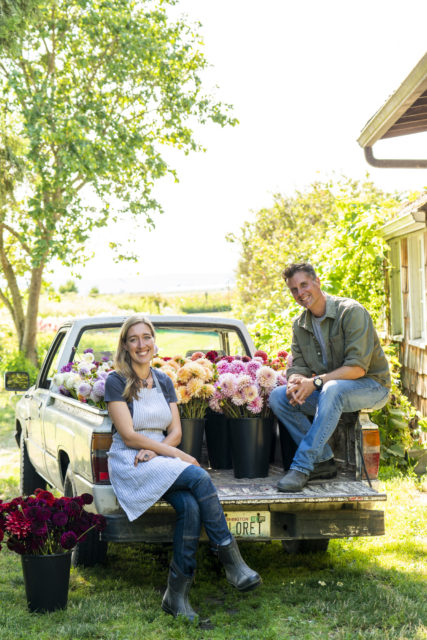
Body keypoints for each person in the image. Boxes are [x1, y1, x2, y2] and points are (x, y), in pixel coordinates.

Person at [104, 314, 260, 621]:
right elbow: (129, 435)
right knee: (199, 477)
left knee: (189, 505)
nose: (141, 344)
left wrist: (159, 451)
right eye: (133, 339)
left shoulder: (163, 379)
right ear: (125, 345)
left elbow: (176, 432)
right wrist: (168, 453)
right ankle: (230, 561)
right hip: (130, 460)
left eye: (146, 337)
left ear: (154, 340)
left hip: (156, 456)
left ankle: (176, 597)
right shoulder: (116, 380)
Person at [269, 263, 390, 492]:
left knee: (331, 388)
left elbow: (357, 368)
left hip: (372, 387)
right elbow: (299, 365)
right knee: (279, 397)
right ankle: (323, 461)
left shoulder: (351, 312)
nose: (300, 292)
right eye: (294, 289)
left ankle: (302, 466)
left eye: (304, 284)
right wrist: (295, 381)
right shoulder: (300, 324)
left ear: (317, 282)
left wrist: (314, 382)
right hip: (331, 391)